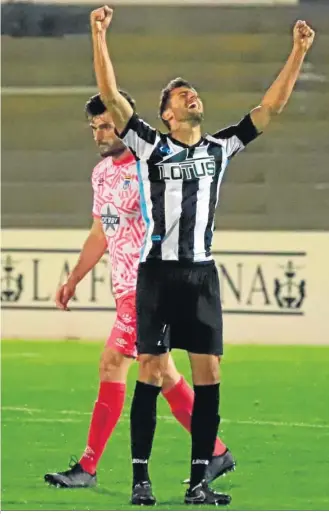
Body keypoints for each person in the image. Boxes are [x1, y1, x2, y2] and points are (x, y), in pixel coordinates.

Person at [90, 5, 315, 506]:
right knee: (149, 370)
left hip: (201, 274)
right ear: (167, 112)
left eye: (194, 92)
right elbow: (110, 96)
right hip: (158, 274)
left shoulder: (220, 148)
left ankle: (198, 481)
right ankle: (141, 479)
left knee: (208, 373)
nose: (192, 96)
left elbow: (269, 108)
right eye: (180, 93)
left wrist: (298, 52)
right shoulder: (150, 145)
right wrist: (98, 35)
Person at [43, 92, 235, 489]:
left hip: (147, 286)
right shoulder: (102, 174)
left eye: (107, 125)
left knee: (113, 363)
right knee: (162, 372)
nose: (99, 134)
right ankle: (215, 452)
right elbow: (101, 231)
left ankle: (88, 467)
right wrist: (75, 277)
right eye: (94, 127)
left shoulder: (151, 165)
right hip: (125, 289)